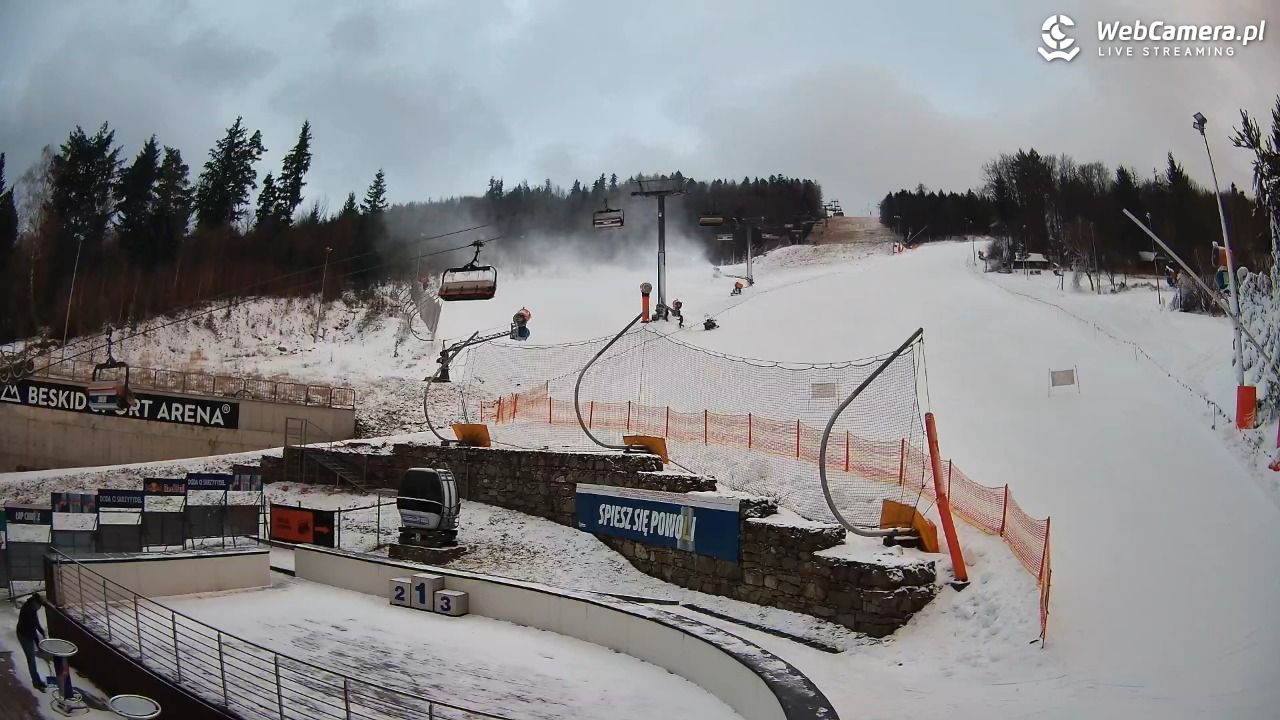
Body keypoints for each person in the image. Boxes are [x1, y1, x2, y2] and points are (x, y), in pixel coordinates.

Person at [16, 593, 47, 692]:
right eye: (39, 605)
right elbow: (32, 631)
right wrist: (38, 645)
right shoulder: (28, 611)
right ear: (35, 603)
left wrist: (42, 631)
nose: (39, 608)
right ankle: (36, 682)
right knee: (31, 659)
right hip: (24, 635)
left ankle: (37, 681)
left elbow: (36, 622)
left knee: (31, 658)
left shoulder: (31, 607)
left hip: (26, 632)